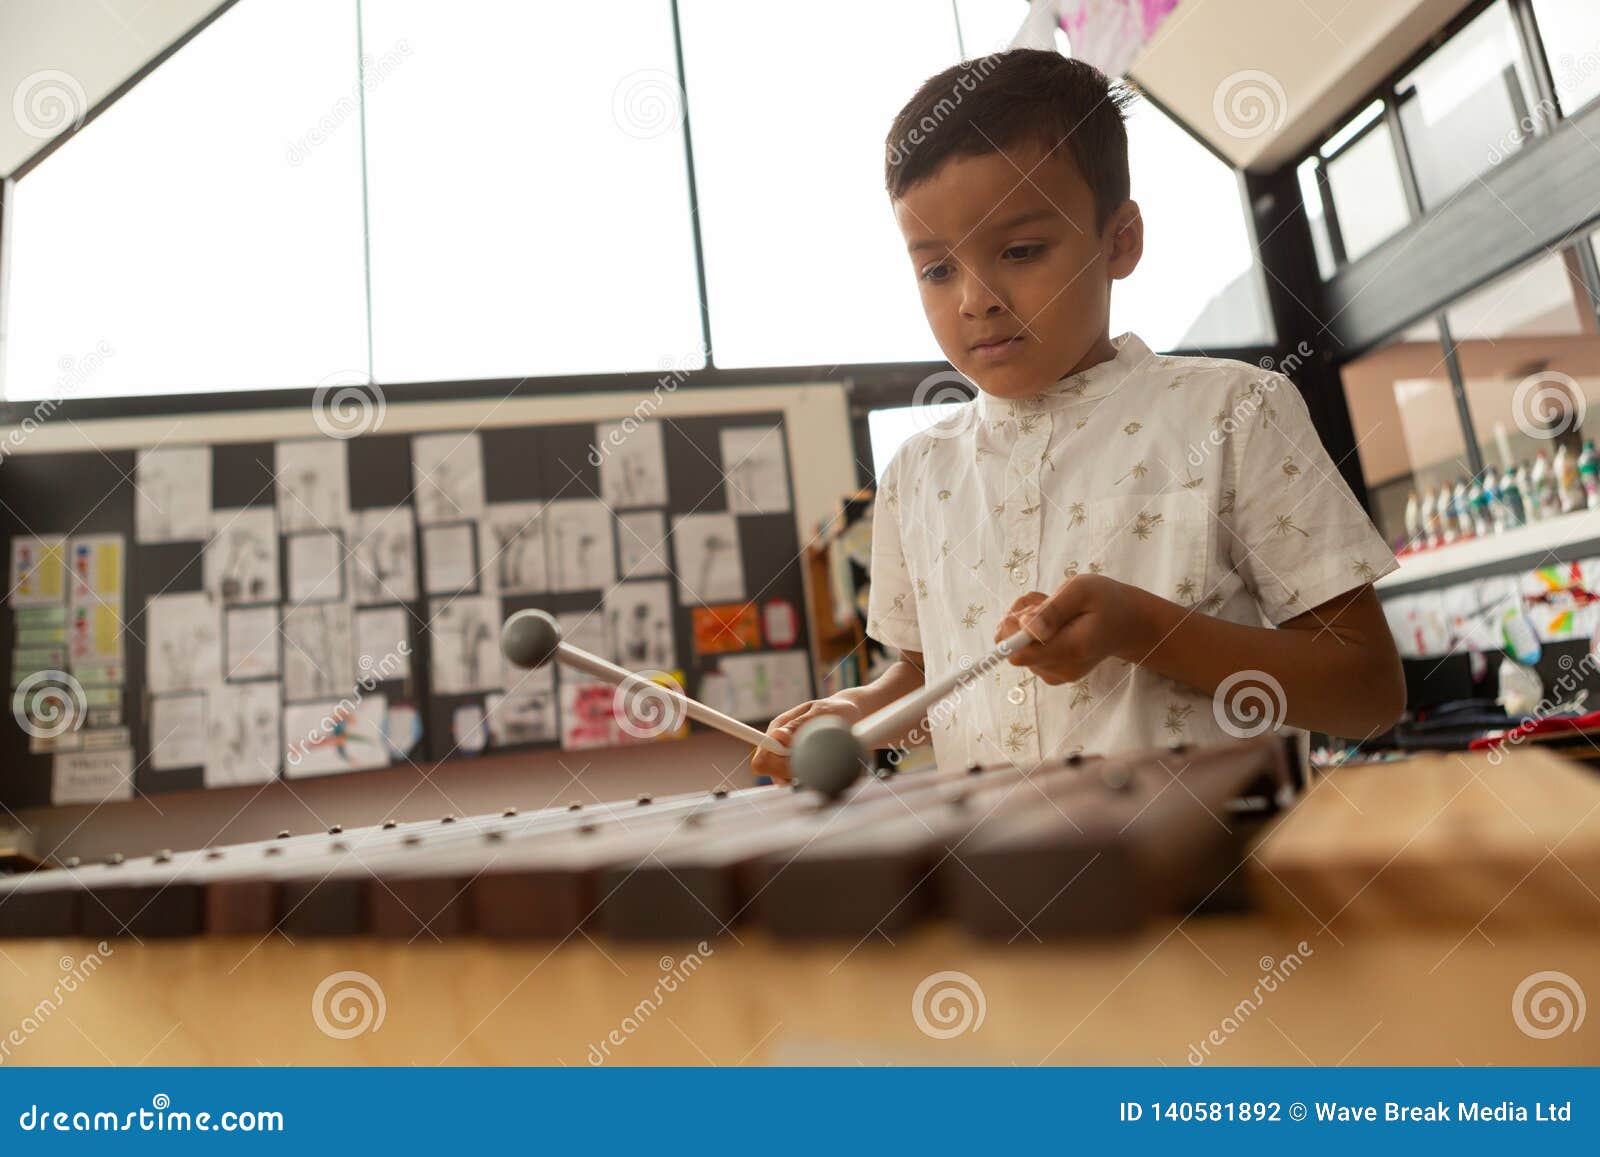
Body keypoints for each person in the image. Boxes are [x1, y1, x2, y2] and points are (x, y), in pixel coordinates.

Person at [754, 49, 1404, 781]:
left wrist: (1145, 629)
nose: (974, 299)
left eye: (1021, 249)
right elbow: (927, 676)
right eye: (937, 268)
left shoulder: (1235, 409)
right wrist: (862, 713)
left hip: (1214, 876)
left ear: (1119, 240)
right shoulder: (916, 474)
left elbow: (1369, 692)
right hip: (1004, 881)